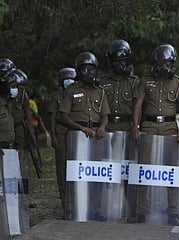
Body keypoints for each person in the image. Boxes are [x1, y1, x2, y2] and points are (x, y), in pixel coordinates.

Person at [130, 44, 179, 226]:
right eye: (161, 62)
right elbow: (138, 105)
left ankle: (173, 212)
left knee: (171, 172)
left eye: (168, 62)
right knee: (144, 170)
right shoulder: (145, 80)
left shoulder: (178, 82)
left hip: (170, 127)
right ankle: (140, 211)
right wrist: (135, 127)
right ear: (155, 62)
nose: (165, 65)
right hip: (148, 126)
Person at [59, 52, 110, 221]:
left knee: (96, 175)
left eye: (93, 70)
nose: (90, 73)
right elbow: (63, 116)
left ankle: (95, 209)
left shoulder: (101, 92)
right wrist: (80, 128)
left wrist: (102, 127)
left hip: (95, 137)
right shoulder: (71, 90)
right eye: (86, 70)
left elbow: (105, 115)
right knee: (74, 175)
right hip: (76, 136)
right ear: (79, 71)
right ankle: (71, 208)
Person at [48, 67, 76, 219]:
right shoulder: (57, 97)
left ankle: (76, 202)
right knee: (62, 169)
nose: (69, 81)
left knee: (75, 168)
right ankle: (65, 205)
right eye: (66, 79)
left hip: (75, 133)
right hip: (61, 132)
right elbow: (52, 118)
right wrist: (53, 136)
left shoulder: (77, 94)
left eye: (72, 78)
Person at [100, 39, 139, 132]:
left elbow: (138, 107)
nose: (119, 65)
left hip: (126, 126)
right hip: (106, 126)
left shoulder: (133, 82)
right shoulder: (103, 81)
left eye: (123, 61)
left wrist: (136, 126)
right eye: (116, 61)